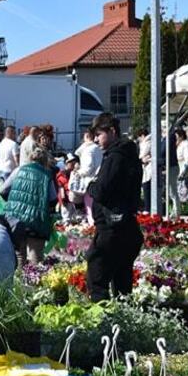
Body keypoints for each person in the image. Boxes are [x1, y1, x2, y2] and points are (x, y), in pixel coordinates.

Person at [85, 113, 144, 302]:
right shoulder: (129, 154)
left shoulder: (116, 157)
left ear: (112, 131)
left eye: (98, 134)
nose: (96, 140)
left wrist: (90, 186)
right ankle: (123, 316)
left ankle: (102, 317)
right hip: (127, 225)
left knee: (97, 278)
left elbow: (101, 190)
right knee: (122, 282)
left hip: (112, 228)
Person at [0, 147, 58, 264]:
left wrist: (13, 201)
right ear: (45, 161)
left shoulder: (18, 170)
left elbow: (3, 190)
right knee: (36, 257)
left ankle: (19, 274)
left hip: (15, 218)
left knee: (19, 255)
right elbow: (53, 199)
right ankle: (34, 274)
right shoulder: (47, 175)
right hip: (37, 220)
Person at [73, 129, 103, 226]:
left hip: (90, 182)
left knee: (90, 210)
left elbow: (88, 168)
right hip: (99, 180)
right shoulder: (99, 148)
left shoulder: (88, 150)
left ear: (85, 136)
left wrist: (78, 172)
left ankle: (93, 229)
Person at [172, 127, 188, 218]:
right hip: (179, 172)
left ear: (181, 136)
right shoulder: (179, 144)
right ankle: (179, 210)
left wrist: (183, 172)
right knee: (180, 192)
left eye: (176, 137)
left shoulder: (186, 144)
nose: (175, 139)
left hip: (186, 173)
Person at [137, 128, 152, 211]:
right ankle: (147, 208)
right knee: (146, 189)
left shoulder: (147, 143)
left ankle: (147, 208)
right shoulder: (145, 143)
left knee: (147, 189)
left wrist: (140, 159)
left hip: (148, 169)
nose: (138, 139)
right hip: (146, 168)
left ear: (142, 136)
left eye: (139, 137)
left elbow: (142, 155)